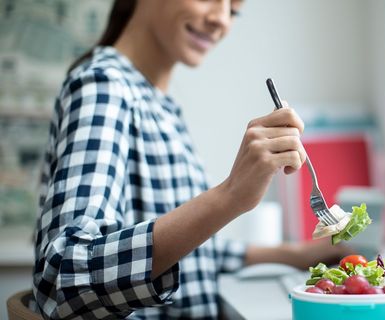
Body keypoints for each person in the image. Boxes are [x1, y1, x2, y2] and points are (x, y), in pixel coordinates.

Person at [32, 0, 353, 318]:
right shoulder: (103, 89)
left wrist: (295, 254)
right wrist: (229, 196)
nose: (222, 20)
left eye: (234, 10)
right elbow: (63, 276)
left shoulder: (158, 105)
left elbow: (191, 253)